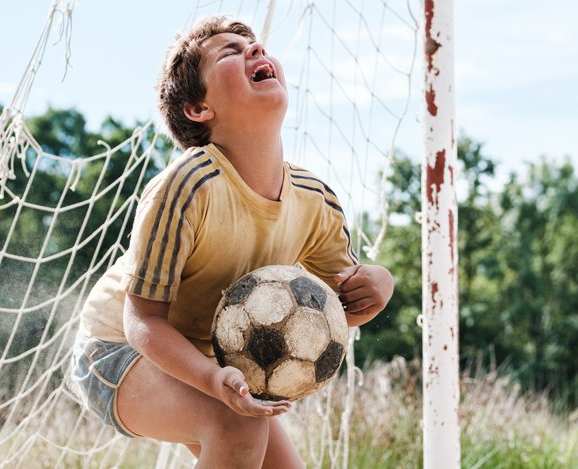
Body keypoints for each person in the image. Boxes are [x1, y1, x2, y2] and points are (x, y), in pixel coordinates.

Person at [72, 15, 394, 468]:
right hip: (113, 351)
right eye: (230, 52)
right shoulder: (187, 187)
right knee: (238, 425)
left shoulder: (315, 200)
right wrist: (211, 378)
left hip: (210, 365)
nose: (256, 51)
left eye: (258, 46)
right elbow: (141, 320)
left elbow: (338, 308)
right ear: (198, 109)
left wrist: (378, 285)